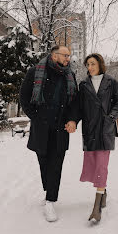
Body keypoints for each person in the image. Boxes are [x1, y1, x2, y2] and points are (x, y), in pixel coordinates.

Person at [19, 45, 77, 222]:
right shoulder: (35, 71)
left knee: (56, 164)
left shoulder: (70, 75)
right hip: (41, 127)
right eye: (65, 55)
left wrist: (73, 119)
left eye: (69, 55)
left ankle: (51, 200)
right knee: (43, 161)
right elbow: (24, 97)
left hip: (61, 128)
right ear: (54, 55)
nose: (68, 58)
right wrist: (35, 117)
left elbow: (75, 102)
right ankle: (48, 190)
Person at [67, 53, 118, 222]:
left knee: (102, 165)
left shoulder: (111, 82)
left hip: (105, 129)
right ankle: (104, 191)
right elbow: (78, 107)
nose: (90, 67)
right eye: (88, 65)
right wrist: (73, 121)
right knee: (94, 165)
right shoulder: (84, 85)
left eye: (92, 64)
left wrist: (111, 117)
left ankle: (96, 207)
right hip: (90, 129)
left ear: (100, 64)